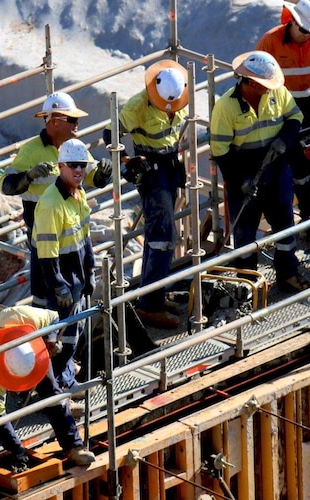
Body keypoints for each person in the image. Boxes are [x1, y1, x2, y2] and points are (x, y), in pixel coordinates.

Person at [0, 305, 96, 471]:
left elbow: (53, 317)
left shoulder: (23, 316)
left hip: (36, 352)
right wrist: (17, 451)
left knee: (53, 394)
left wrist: (50, 340)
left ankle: (74, 446)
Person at [210, 51, 310, 293]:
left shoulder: (277, 93)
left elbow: (295, 117)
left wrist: (284, 140)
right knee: (244, 233)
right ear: (251, 83)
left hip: (276, 170)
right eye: (264, 85)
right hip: (243, 172)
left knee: (285, 225)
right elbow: (221, 151)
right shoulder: (225, 107)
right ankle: (247, 286)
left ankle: (288, 273)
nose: (269, 89)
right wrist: (241, 180)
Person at [0, 91, 111, 308]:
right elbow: (6, 185)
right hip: (43, 239)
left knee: (74, 295)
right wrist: (28, 176)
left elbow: (94, 178)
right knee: (46, 298)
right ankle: (46, 338)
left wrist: (104, 173)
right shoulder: (31, 151)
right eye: (72, 119)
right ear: (55, 121)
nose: (77, 124)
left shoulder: (74, 147)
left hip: (71, 236)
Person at [104, 60, 189, 329]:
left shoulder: (175, 97)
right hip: (152, 173)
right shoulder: (138, 105)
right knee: (164, 238)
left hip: (170, 167)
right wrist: (129, 161)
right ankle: (150, 306)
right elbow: (111, 134)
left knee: (156, 237)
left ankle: (153, 295)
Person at [256, 0, 310, 246]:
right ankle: (308, 220)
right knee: (299, 171)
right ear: (292, 22)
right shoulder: (270, 42)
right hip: (289, 109)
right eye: (305, 30)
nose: (309, 36)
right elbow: (258, 82)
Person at [32, 138, 95, 393]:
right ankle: (53, 393)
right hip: (56, 285)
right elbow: (47, 255)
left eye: (82, 165)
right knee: (55, 342)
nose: (78, 170)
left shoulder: (78, 194)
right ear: (60, 166)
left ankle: (64, 385)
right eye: (73, 165)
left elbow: (85, 237)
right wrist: (59, 287)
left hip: (75, 280)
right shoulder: (51, 204)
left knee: (71, 338)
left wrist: (90, 271)